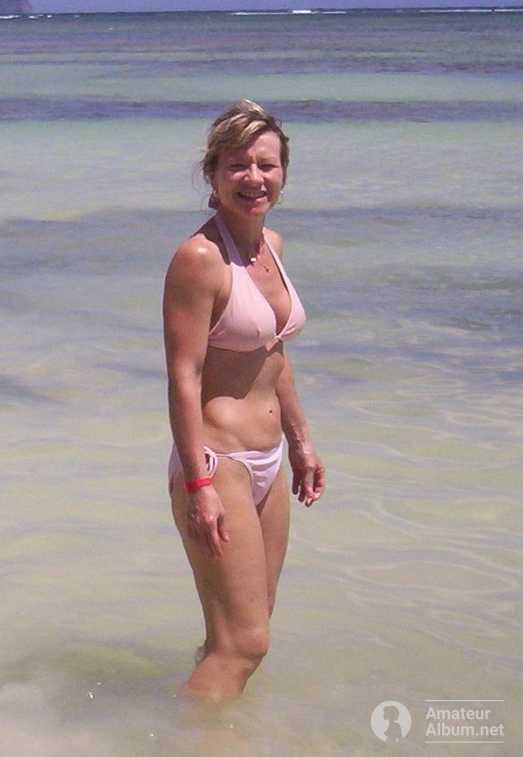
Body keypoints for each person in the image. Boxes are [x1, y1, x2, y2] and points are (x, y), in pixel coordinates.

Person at [163, 99, 325, 702]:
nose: (253, 178)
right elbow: (183, 377)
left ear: (283, 174)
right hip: (218, 461)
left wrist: (301, 442)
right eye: (237, 165)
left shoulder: (272, 245)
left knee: (241, 630)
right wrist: (199, 486)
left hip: (267, 461)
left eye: (266, 165)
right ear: (212, 174)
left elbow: (271, 353)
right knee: (246, 644)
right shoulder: (199, 259)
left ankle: (214, 732)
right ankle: (179, 739)